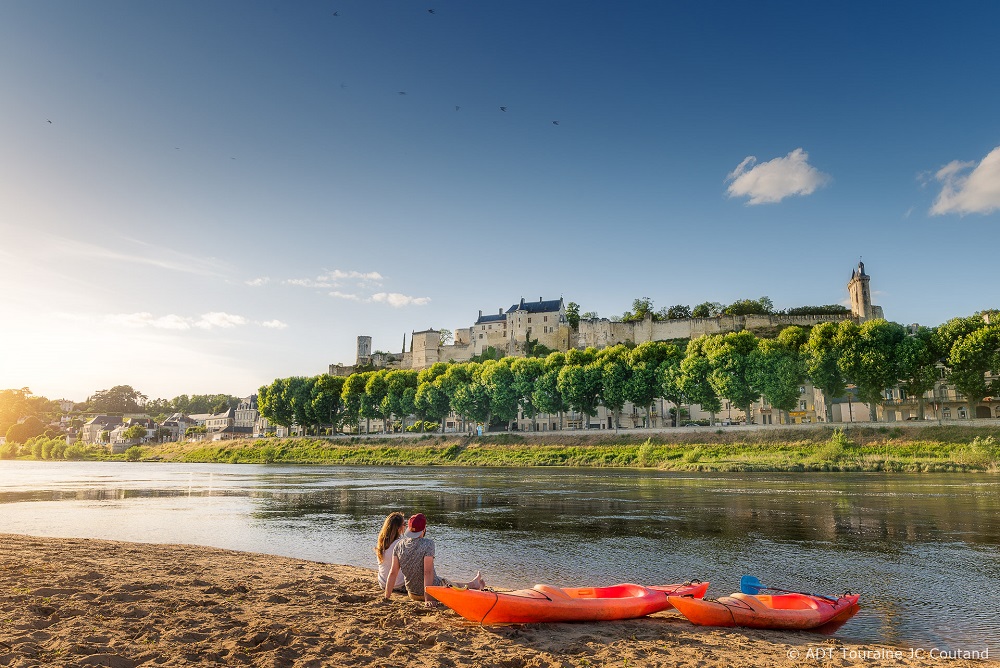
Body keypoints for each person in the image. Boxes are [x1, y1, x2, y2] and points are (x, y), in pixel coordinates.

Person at [383, 513, 484, 606]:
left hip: (412, 593)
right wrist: (428, 599)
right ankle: (473, 584)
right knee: (450, 585)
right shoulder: (428, 544)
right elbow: (428, 572)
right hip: (432, 592)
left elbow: (393, 573)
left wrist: (386, 597)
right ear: (424, 529)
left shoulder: (399, 545)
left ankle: (473, 583)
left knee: (445, 581)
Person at [374, 512, 406, 592]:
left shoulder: (381, 543)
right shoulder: (401, 544)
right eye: (404, 524)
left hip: (383, 583)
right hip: (398, 585)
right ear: (399, 528)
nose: (405, 526)